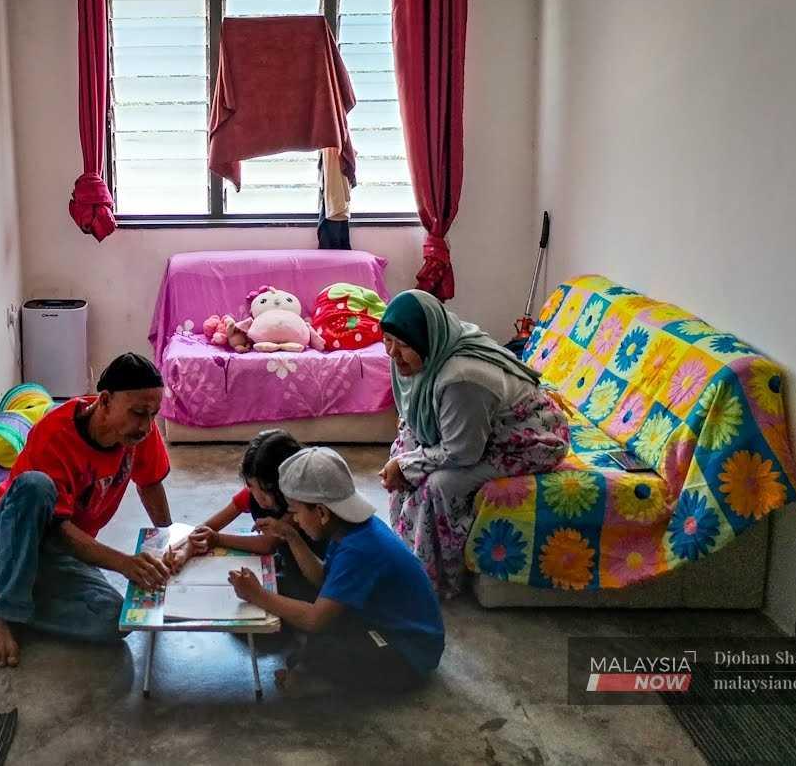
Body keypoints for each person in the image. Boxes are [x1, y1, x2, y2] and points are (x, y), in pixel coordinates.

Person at [0, 353, 177, 667]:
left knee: (112, 620)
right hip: (0, 541)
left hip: (60, 552)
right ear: (104, 401)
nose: (146, 426)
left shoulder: (138, 433)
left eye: (153, 414)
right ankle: (5, 614)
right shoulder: (54, 433)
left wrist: (170, 540)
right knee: (35, 486)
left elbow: (149, 484)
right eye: (137, 413)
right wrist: (123, 563)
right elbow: (57, 529)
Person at [378, 289, 570, 596]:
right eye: (387, 340)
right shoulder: (435, 344)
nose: (392, 353)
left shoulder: (461, 378)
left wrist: (406, 465)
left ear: (427, 339)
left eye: (402, 344)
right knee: (404, 450)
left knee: (439, 485)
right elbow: (415, 417)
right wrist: (405, 458)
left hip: (528, 438)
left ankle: (434, 578)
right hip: (479, 428)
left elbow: (462, 452)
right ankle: (405, 551)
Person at [228, 447, 444, 696]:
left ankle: (318, 683)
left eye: (296, 513)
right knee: (299, 606)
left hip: (408, 652)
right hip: (378, 620)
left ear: (321, 513)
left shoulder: (359, 549)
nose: (295, 520)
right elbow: (323, 578)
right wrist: (290, 536)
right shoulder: (347, 528)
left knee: (320, 647)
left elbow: (314, 618)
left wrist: (257, 595)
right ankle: (311, 668)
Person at [170, 430, 324, 601]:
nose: (257, 495)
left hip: (311, 575)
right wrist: (185, 551)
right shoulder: (251, 494)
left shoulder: (298, 505)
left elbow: (268, 544)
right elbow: (208, 527)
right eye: (250, 485)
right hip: (285, 561)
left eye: (266, 490)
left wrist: (217, 539)